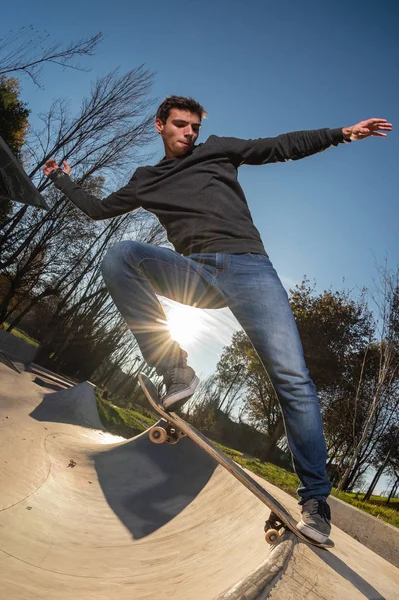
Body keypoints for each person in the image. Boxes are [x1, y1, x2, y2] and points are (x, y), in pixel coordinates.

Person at [44, 96, 392, 544]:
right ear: (159, 126)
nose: (189, 133)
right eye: (181, 126)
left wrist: (341, 134)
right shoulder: (145, 180)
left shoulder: (218, 149)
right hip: (196, 272)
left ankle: (316, 501)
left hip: (252, 270)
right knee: (119, 256)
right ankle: (175, 369)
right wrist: (60, 180)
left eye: (194, 126)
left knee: (293, 378)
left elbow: (280, 145)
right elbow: (97, 209)